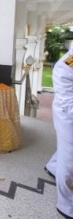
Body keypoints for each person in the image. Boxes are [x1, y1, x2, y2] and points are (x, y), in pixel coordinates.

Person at [44, 48, 73, 219]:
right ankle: (66, 204)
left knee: (65, 150)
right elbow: (68, 102)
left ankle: (52, 167)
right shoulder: (66, 66)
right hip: (67, 116)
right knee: (69, 160)